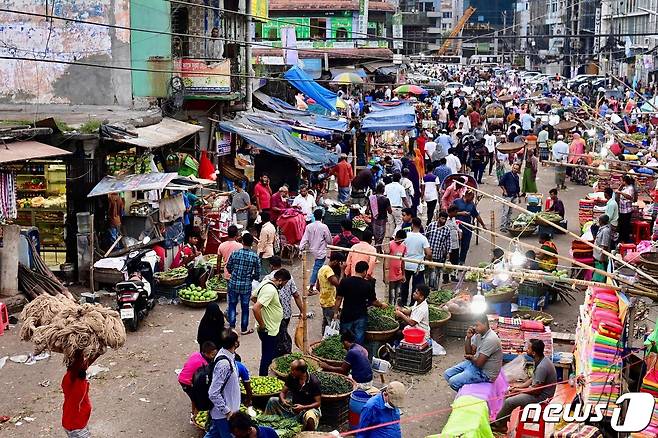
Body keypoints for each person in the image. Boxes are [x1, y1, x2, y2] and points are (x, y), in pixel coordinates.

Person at [491, 339, 557, 432]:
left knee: (510, 401)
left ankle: (499, 424)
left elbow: (536, 390)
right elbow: (532, 379)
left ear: (533, 353)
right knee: (508, 394)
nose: (526, 350)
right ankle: (502, 423)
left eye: (528, 348)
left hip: (541, 398)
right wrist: (518, 387)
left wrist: (518, 391)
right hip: (537, 392)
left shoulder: (542, 367)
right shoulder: (540, 360)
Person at [443, 313, 502, 391]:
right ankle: (464, 388)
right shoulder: (478, 334)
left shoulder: (490, 339)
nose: (475, 328)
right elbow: (469, 352)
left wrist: (471, 357)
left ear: (485, 324)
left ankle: (466, 395)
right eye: (474, 325)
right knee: (447, 374)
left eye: (477, 325)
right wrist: (468, 338)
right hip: (475, 364)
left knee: (453, 382)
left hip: (485, 373)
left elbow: (479, 363)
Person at [334, 261, 388, 345]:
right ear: (365, 271)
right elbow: (374, 301)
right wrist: (382, 305)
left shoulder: (345, 281)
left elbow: (338, 298)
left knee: (345, 339)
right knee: (358, 339)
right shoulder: (367, 285)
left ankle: (345, 355)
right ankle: (357, 354)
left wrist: (335, 312)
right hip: (360, 316)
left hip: (346, 315)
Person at [264, 359, 322, 431]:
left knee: (310, 417)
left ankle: (308, 433)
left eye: (293, 370)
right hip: (293, 406)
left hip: (308, 408)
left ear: (300, 371)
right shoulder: (292, 377)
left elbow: (318, 403)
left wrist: (303, 407)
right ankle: (268, 426)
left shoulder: (314, 382)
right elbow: (283, 392)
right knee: (272, 400)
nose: (290, 371)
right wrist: (283, 400)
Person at [253, 269, 290, 376]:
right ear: (280, 280)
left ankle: (265, 374)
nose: (284, 285)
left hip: (270, 328)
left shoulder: (265, 283)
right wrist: (262, 324)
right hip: (268, 330)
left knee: (269, 353)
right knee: (267, 356)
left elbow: (253, 297)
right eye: (285, 283)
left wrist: (266, 306)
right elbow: (255, 308)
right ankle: (263, 377)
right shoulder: (270, 290)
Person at [264, 257, 303, 357]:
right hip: (286, 313)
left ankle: (280, 354)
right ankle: (282, 353)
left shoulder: (267, 279)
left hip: (272, 315)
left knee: (278, 335)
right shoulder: (288, 277)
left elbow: (257, 298)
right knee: (283, 333)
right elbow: (296, 295)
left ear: (271, 266)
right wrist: (302, 311)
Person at [205, 330, 241, 438]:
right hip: (224, 416)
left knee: (213, 434)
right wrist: (227, 412)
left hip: (224, 412)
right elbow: (213, 393)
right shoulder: (224, 364)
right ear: (235, 343)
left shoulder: (227, 354)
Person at [226, 233, 261, 335]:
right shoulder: (254, 257)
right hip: (246, 285)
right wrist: (251, 277)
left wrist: (234, 273)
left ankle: (232, 328)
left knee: (232, 305)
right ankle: (244, 329)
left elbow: (229, 267)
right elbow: (257, 273)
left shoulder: (235, 253)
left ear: (242, 242)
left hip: (233, 284)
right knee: (245, 307)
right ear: (251, 244)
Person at [62, 352, 98, 438]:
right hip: (76, 427)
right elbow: (82, 367)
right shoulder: (78, 389)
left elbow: (81, 367)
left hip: (72, 423)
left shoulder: (68, 378)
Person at [179, 341, 218, 416]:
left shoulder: (196, 354)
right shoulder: (203, 364)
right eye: (212, 355)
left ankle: (195, 412)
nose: (214, 356)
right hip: (186, 381)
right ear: (206, 353)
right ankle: (194, 415)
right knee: (195, 399)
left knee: (195, 397)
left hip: (185, 376)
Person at [299, 209, 332, 293]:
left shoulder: (309, 226)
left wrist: (300, 248)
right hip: (320, 250)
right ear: (322, 217)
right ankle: (311, 287)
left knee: (318, 267)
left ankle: (317, 285)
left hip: (312, 249)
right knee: (317, 269)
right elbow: (329, 240)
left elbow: (305, 238)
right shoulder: (324, 227)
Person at [402, 218, 431, 306]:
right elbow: (429, 253)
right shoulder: (423, 238)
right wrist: (426, 258)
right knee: (416, 287)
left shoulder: (406, 236)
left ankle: (403, 302)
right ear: (420, 226)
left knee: (404, 285)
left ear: (412, 225)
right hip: (418, 266)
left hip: (406, 264)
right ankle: (413, 303)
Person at [453, 191, 486, 264]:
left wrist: (483, 225)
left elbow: (476, 215)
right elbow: (450, 212)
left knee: (465, 246)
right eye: (471, 197)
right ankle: (454, 261)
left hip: (468, 228)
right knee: (456, 245)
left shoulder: (471, 205)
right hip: (457, 228)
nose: (472, 199)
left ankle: (462, 261)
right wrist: (461, 213)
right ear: (466, 195)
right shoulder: (457, 202)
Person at [317, 253, 345, 335]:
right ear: (336, 262)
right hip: (330, 302)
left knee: (326, 322)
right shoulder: (328, 271)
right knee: (332, 325)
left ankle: (324, 338)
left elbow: (317, 286)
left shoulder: (322, 268)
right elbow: (340, 285)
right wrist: (342, 270)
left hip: (324, 300)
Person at [425, 211, 452, 286]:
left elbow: (448, 243)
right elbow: (425, 238)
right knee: (427, 275)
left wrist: (448, 253)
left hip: (438, 256)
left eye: (445, 219)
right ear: (438, 218)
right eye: (442, 218)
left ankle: (434, 289)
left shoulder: (447, 230)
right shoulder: (431, 226)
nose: (444, 221)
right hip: (428, 255)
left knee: (436, 275)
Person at [385, 230, 407, 304]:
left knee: (398, 295)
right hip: (391, 275)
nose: (401, 242)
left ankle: (396, 308)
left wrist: (403, 274)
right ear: (396, 237)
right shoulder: (390, 244)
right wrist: (385, 275)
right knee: (391, 295)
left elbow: (403, 261)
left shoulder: (403, 246)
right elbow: (385, 260)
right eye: (400, 240)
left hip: (399, 274)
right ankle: (390, 308)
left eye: (402, 240)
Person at [499, 163, 521, 231]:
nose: (515, 170)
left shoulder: (517, 176)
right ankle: (503, 226)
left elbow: (518, 187)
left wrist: (519, 197)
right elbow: (501, 183)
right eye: (514, 168)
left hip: (514, 196)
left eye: (516, 169)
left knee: (510, 212)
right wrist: (504, 191)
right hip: (507, 196)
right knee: (505, 212)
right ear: (512, 168)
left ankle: (508, 225)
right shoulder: (507, 175)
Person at [369, 183, 392, 248]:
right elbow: (390, 211)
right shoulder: (386, 199)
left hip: (374, 219)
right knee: (381, 234)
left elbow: (367, 210)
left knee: (375, 234)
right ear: (383, 190)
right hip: (382, 219)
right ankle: (378, 248)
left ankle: (377, 247)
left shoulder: (371, 198)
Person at [617, 175, 636, 243]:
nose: (620, 182)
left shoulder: (630, 188)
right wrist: (620, 187)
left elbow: (630, 197)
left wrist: (621, 193)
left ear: (625, 181)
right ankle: (621, 239)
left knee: (625, 225)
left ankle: (625, 240)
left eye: (621, 180)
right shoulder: (624, 187)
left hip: (627, 210)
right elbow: (617, 191)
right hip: (622, 209)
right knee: (621, 225)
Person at [257, 211, 276, 278]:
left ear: (262, 219)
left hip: (265, 253)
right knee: (268, 269)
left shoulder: (264, 229)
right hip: (270, 250)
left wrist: (260, 254)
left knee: (264, 271)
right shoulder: (272, 226)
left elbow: (263, 243)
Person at [593, 215, 612, 282]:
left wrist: (602, 258)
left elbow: (605, 245)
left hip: (601, 256)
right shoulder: (601, 228)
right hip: (597, 254)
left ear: (602, 222)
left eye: (599, 221)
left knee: (602, 270)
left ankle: (601, 281)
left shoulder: (605, 231)